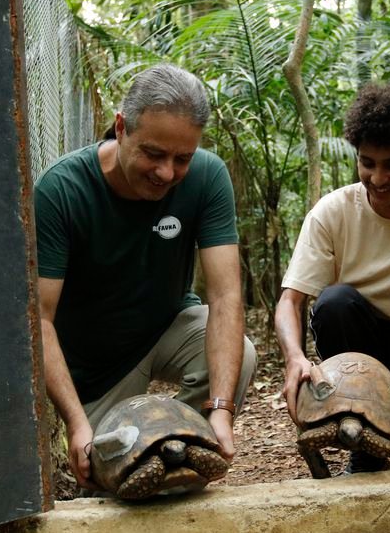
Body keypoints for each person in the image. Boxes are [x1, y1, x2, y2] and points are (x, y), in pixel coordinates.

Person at [34, 63, 256, 490]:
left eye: (182, 158)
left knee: (240, 353)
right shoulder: (60, 191)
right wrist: (76, 424)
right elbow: (39, 320)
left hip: (167, 327)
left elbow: (226, 296)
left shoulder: (208, 177)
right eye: (153, 154)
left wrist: (222, 411)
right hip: (97, 371)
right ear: (121, 127)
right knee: (112, 477)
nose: (167, 173)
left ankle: (182, 446)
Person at [275, 81, 390, 472]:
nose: (378, 178)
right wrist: (294, 358)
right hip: (359, 353)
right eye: (368, 163)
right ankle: (364, 438)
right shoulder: (333, 212)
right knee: (335, 303)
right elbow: (291, 301)